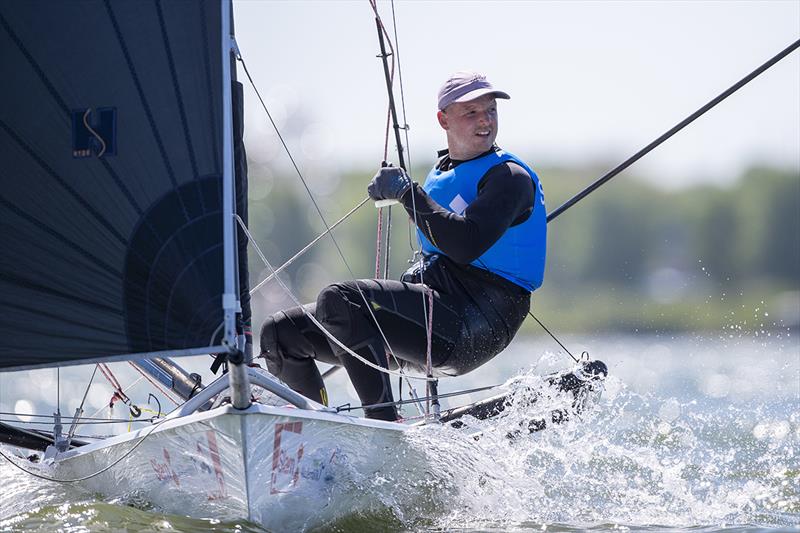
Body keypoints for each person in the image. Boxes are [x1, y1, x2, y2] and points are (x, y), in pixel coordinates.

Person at [260, 71, 546, 421]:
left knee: (341, 300)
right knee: (280, 333)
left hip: (478, 321)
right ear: (444, 119)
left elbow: (465, 244)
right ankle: (318, 427)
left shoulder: (509, 178)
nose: (485, 120)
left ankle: (382, 423)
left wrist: (406, 193)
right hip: (436, 310)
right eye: (471, 112)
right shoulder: (443, 172)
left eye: (490, 110)